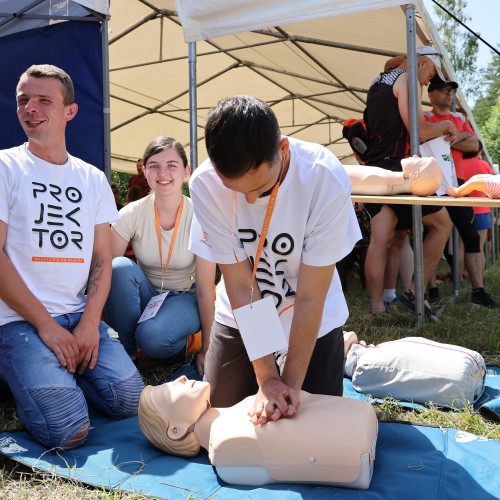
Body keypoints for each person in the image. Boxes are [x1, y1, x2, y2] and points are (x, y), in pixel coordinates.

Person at [189, 96, 361, 424]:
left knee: (310, 423)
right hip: (244, 312)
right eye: (235, 189)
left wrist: (290, 385)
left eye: (263, 188)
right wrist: (268, 378)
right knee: (222, 415)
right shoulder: (205, 184)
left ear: (282, 149)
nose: (250, 199)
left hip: (308, 310)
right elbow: (241, 285)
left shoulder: (323, 177)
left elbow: (311, 296)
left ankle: (345, 343)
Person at [0, 64, 144, 450]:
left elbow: (102, 258)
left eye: (43, 100)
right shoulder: (5, 167)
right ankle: (39, 374)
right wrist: (47, 327)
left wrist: (89, 324)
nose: (30, 107)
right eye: (23, 100)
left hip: (80, 317)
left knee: (131, 403)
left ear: (70, 111)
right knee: (67, 431)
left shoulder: (93, 178)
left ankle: (60, 371)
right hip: (20, 321)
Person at [138, 376, 378, 489]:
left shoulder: (232, 416)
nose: (179, 377)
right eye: (167, 390)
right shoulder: (226, 443)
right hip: (354, 440)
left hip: (356, 427)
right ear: (176, 430)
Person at [104, 136, 215, 374]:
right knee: (118, 267)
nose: (162, 173)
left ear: (186, 171)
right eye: (154, 165)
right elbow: (104, 274)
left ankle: (182, 341)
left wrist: (208, 348)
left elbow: (206, 289)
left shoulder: (201, 216)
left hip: (184, 296)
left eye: (171, 165)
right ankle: (127, 354)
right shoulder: (131, 213)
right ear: (144, 171)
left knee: (152, 337)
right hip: (146, 295)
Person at [363, 46, 456, 315]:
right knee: (442, 225)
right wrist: (446, 126)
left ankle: (378, 307)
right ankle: (416, 291)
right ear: (422, 62)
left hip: (374, 168)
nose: (429, 81)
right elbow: (420, 130)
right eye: (430, 74)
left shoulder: (377, 81)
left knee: (382, 237)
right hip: (396, 169)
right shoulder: (406, 80)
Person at [425, 78, 498, 308]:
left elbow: (474, 145)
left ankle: (479, 290)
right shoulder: (425, 117)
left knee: (471, 236)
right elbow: (422, 138)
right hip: (432, 183)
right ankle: (431, 289)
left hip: (458, 183)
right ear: (431, 94)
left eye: (452, 91)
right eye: (444, 90)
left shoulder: (460, 118)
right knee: (433, 236)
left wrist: (455, 138)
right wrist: (458, 138)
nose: (449, 94)